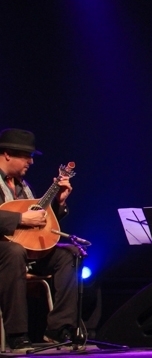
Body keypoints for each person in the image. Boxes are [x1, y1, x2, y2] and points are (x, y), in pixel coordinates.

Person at [0, 128, 79, 351]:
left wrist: (59, 202)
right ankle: (17, 334)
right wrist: (20, 218)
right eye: (26, 156)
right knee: (14, 251)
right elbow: (23, 218)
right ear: (7, 154)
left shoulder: (24, 186)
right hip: (4, 251)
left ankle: (58, 328)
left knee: (70, 254)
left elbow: (40, 222)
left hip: (26, 250)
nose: (31, 162)